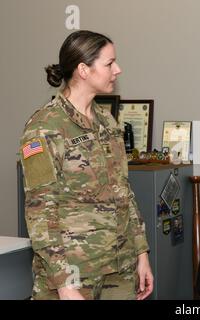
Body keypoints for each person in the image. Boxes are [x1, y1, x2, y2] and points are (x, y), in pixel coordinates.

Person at [19, 30, 153, 300]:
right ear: (83, 69)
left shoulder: (108, 123)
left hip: (119, 268)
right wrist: (63, 284)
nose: (118, 69)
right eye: (109, 63)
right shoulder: (44, 127)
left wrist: (141, 253)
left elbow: (123, 192)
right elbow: (41, 212)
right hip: (74, 273)